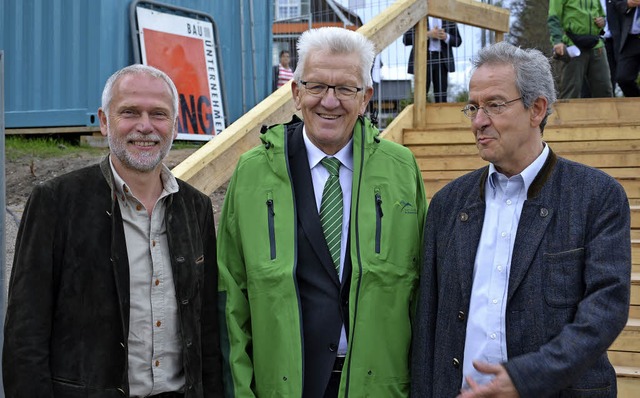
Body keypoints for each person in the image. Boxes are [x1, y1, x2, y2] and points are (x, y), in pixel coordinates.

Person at [411, 41, 631, 397]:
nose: (479, 121)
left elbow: (605, 310)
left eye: (494, 105)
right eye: (473, 107)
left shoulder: (596, 196)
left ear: (537, 109)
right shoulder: (448, 205)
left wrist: (530, 376)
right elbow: (428, 326)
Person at [218, 27, 427, 397]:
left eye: (345, 88)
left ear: (365, 98)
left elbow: (422, 289)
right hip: (283, 386)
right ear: (296, 93)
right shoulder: (252, 172)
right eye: (316, 87)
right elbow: (231, 296)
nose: (329, 101)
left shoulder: (402, 169)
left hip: (378, 386)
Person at [2, 64, 223, 398]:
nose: (145, 126)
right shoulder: (57, 202)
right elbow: (25, 334)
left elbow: (206, 329)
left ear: (175, 126)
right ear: (104, 121)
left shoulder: (196, 208)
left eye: (159, 114)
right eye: (130, 112)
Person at [548, 0, 614, 98]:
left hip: (597, 46)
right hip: (573, 46)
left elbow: (603, 16)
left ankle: (607, 113)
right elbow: (554, 18)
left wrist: (603, 21)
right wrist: (557, 41)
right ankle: (567, 113)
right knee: (571, 90)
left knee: (605, 90)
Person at [403, 18, 462, 103]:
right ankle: (420, 116)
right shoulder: (418, 15)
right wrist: (427, 34)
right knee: (420, 97)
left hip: (442, 61)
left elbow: (458, 41)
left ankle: (441, 116)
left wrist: (446, 37)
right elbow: (406, 39)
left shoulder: (447, 16)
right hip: (422, 61)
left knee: (441, 97)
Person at [614, 0, 640, 96]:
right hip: (631, 39)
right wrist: (628, 3)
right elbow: (617, 4)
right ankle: (636, 104)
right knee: (623, 78)